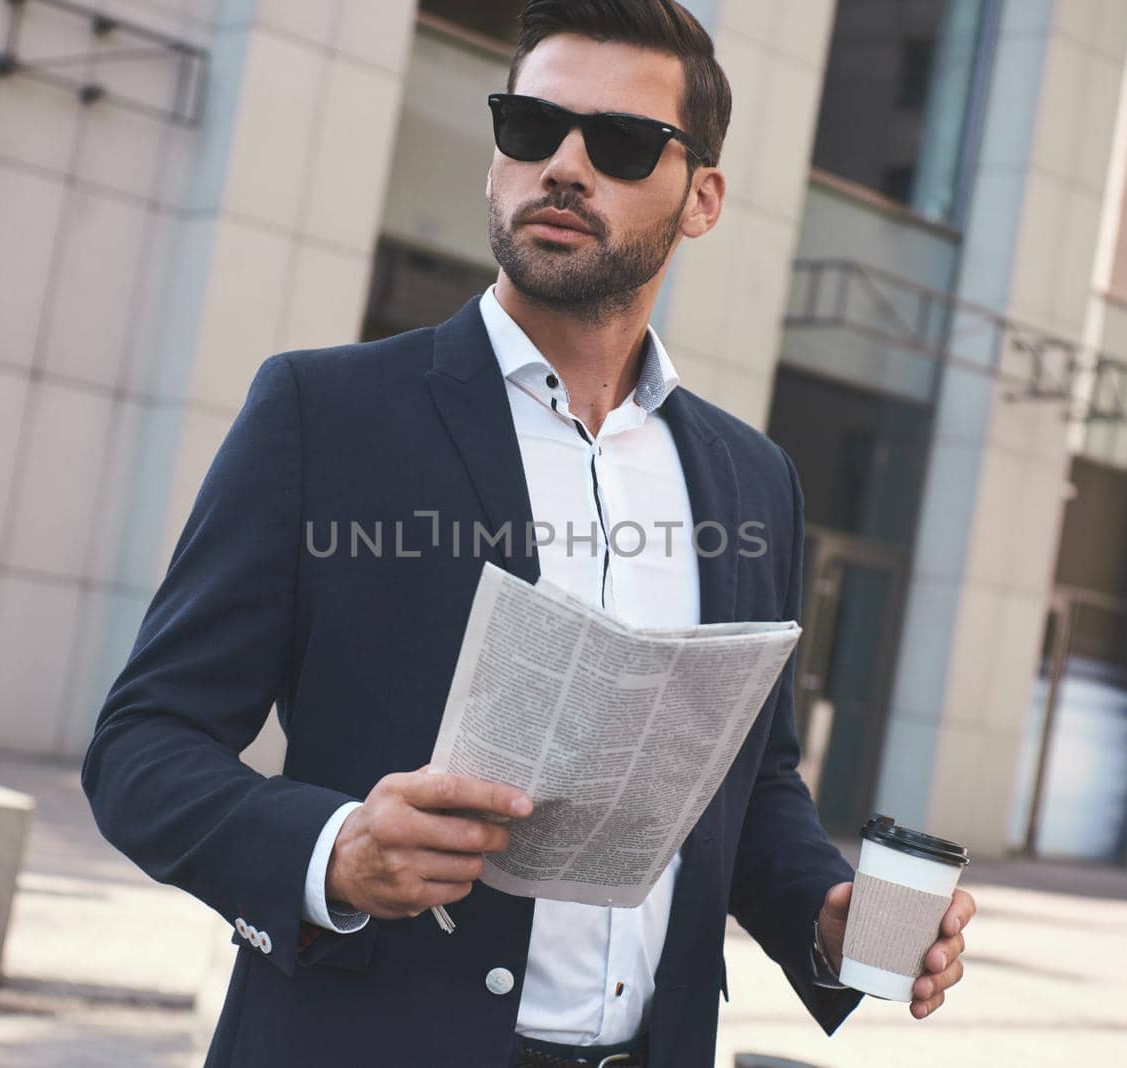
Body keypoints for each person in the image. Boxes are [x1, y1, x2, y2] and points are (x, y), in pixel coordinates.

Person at [81, 2, 974, 1065]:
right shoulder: (324, 416)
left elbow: (753, 775)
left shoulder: (750, 479)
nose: (562, 164)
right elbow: (143, 745)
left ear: (703, 199)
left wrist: (822, 913)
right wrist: (332, 853)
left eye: (622, 142)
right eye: (531, 126)